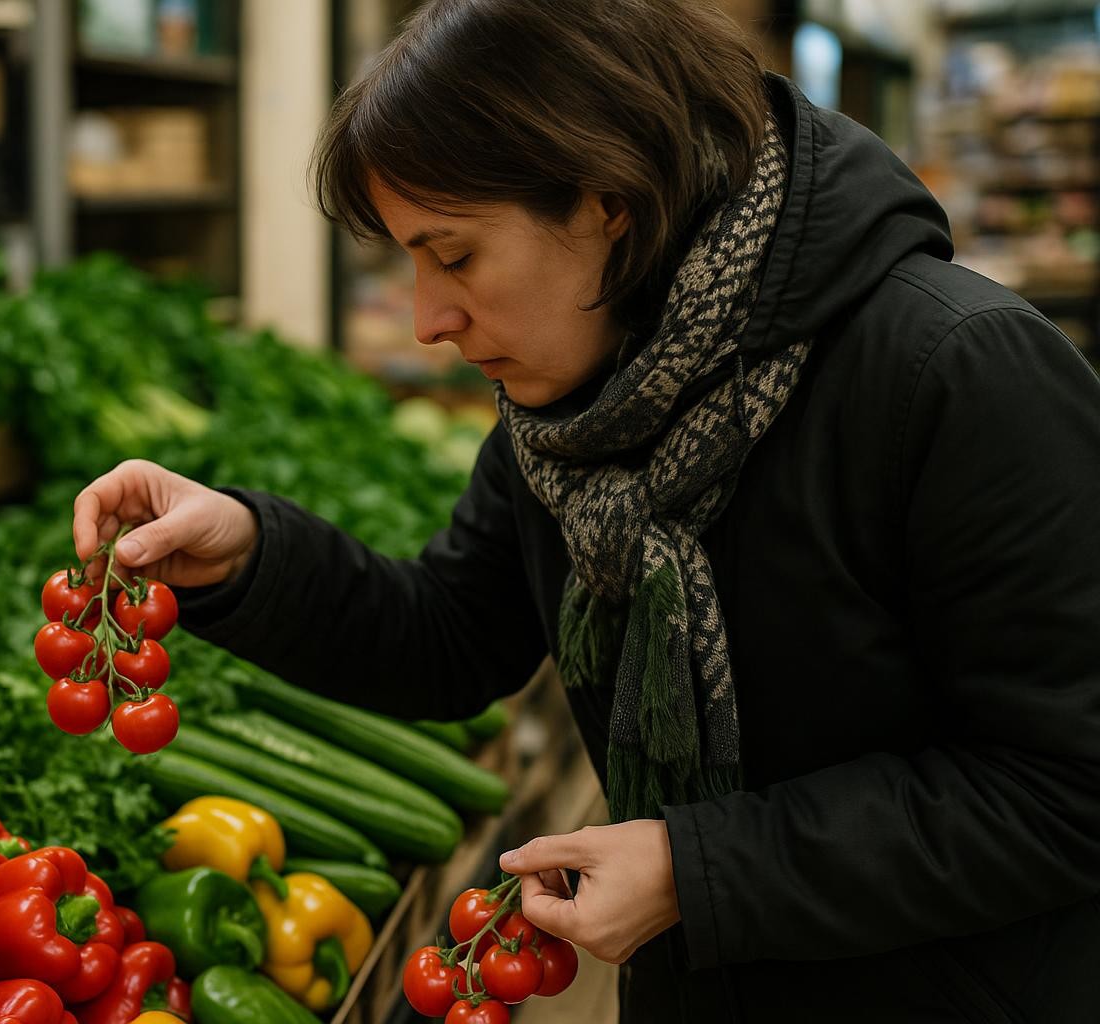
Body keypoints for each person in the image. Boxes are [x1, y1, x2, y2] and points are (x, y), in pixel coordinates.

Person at [73, 0, 1100, 1019]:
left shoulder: (958, 375)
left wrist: (701, 869)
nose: (430, 319)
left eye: (456, 254)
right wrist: (248, 553)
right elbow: (452, 635)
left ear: (608, 197)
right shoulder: (582, 399)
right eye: (409, 261)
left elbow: (1068, 789)